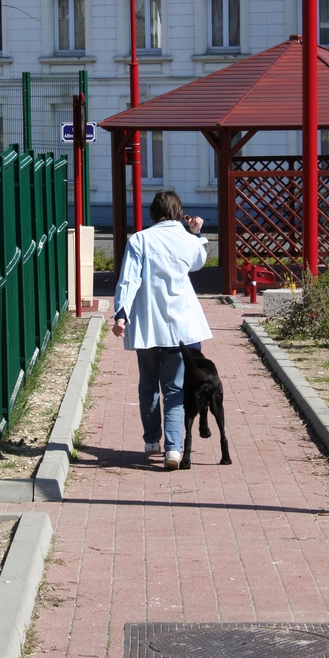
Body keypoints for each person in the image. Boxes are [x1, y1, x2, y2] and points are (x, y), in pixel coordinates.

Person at [112, 189, 212, 470]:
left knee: (148, 385)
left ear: (153, 214)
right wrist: (194, 232)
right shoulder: (187, 240)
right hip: (182, 327)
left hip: (147, 325)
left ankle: (151, 440)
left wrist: (121, 314)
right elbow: (198, 263)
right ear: (180, 214)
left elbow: (128, 280)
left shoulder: (141, 240)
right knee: (174, 389)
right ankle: (173, 449)